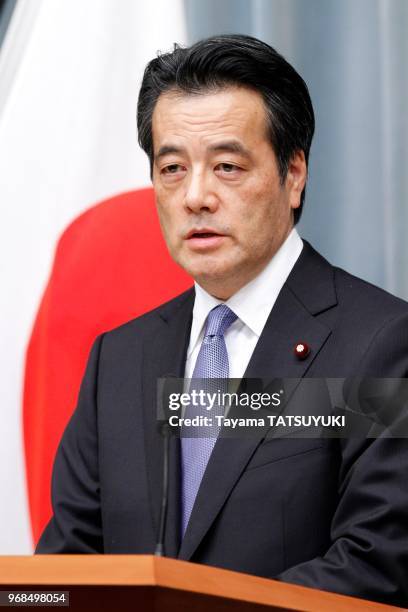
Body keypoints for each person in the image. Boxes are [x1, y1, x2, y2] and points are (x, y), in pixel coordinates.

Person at [36, 35, 408, 606]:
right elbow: (62, 578)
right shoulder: (119, 358)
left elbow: (376, 565)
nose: (195, 196)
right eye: (172, 168)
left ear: (294, 173)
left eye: (228, 166)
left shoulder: (380, 343)